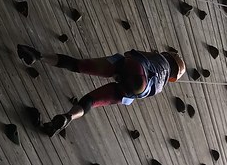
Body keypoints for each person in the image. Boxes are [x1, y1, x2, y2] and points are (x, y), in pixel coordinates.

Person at [16, 45, 187, 136]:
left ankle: (38, 56)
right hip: (137, 89)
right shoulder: (161, 86)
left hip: (136, 66)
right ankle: (67, 118)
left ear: (169, 57)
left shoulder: (161, 58)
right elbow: (138, 94)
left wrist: (119, 68)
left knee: (79, 65)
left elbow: (129, 53)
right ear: (173, 77)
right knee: (91, 101)